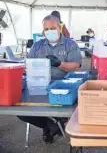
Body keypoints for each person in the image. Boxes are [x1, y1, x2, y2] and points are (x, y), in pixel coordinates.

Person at [18, 15, 82, 144]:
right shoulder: (37, 45)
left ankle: (53, 125)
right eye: (46, 29)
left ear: (60, 27)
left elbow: (76, 66)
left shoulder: (70, 44)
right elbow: (28, 65)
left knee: (68, 108)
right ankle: (51, 125)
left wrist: (60, 64)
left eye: (52, 28)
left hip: (62, 87)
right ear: (43, 31)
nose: (49, 31)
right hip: (38, 85)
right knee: (20, 111)